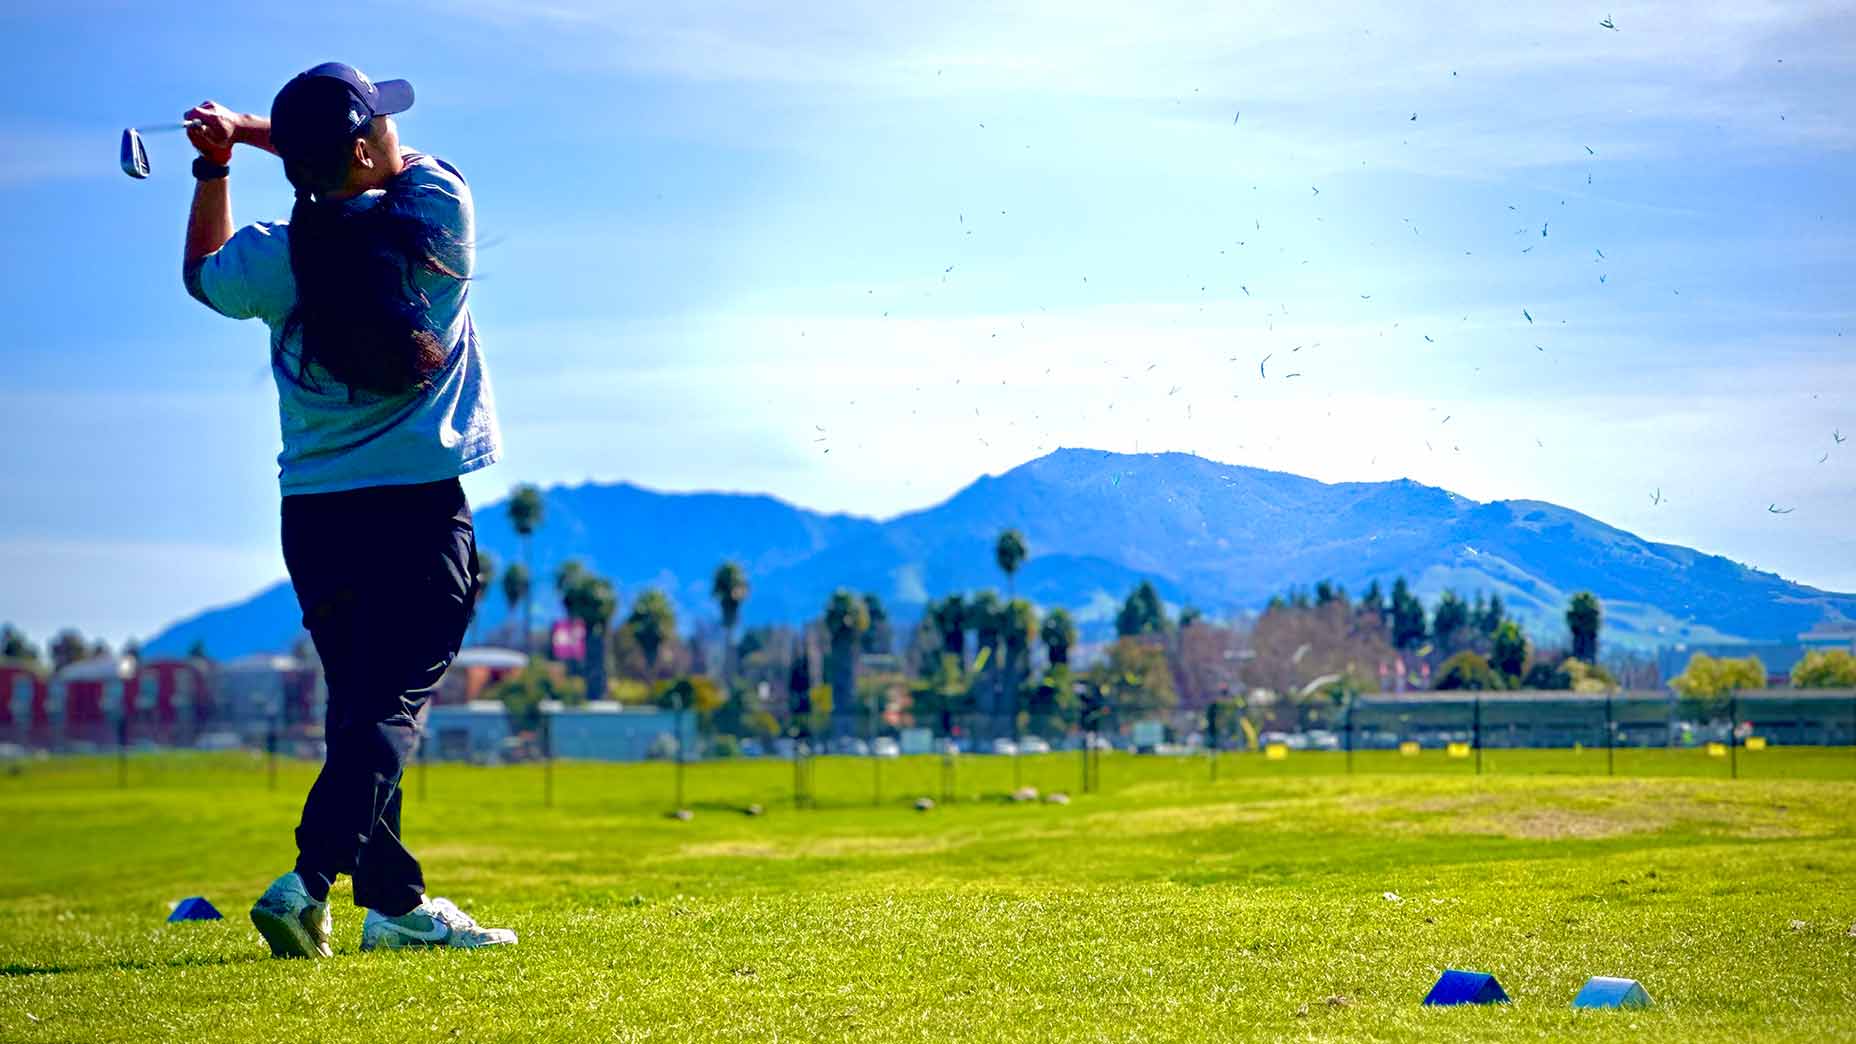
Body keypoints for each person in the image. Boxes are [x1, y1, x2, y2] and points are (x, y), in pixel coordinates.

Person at [182, 62, 516, 957]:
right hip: (416, 509)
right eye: (382, 128)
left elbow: (203, 277)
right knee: (389, 706)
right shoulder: (439, 216)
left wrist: (215, 167)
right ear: (367, 147)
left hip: (318, 517)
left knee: (362, 703)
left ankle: (398, 905)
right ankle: (308, 878)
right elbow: (402, 169)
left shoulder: (274, 255)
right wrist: (254, 128)